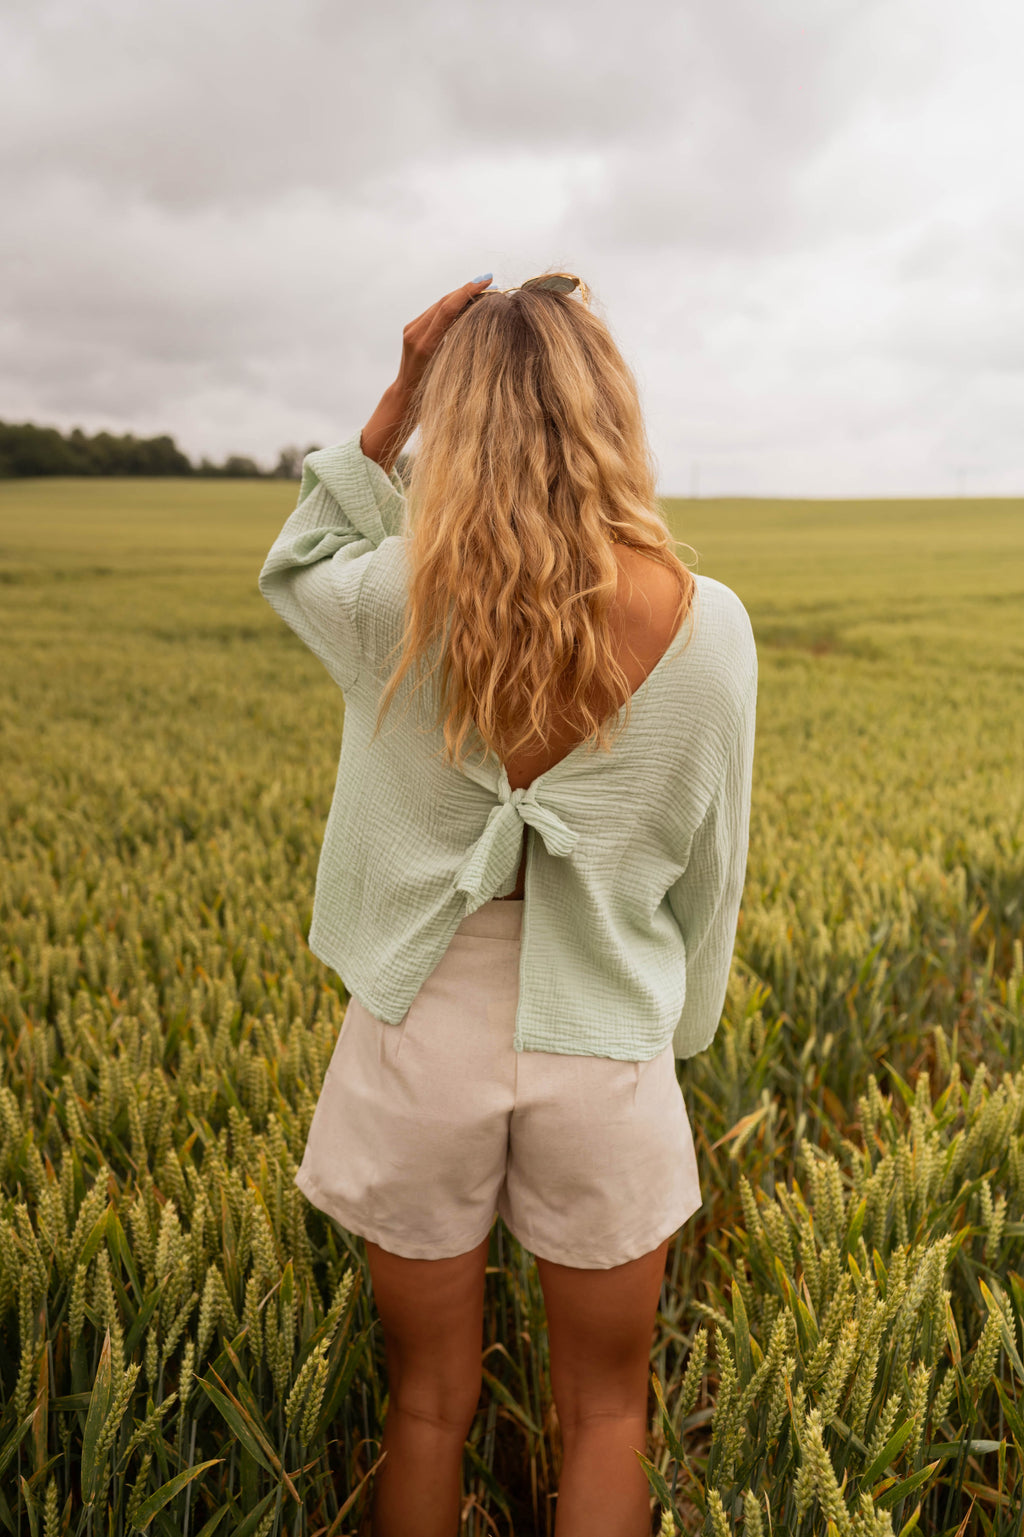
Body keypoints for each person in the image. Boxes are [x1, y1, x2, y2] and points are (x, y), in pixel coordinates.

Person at [259, 272, 757, 1537]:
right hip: (605, 1047)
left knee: (426, 1403)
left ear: (455, 423)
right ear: (612, 416)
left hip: (420, 1030)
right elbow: (714, 871)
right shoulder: (714, 631)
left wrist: (393, 402)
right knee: (606, 1411)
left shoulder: (394, 603)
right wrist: (671, 1035)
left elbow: (299, 553)